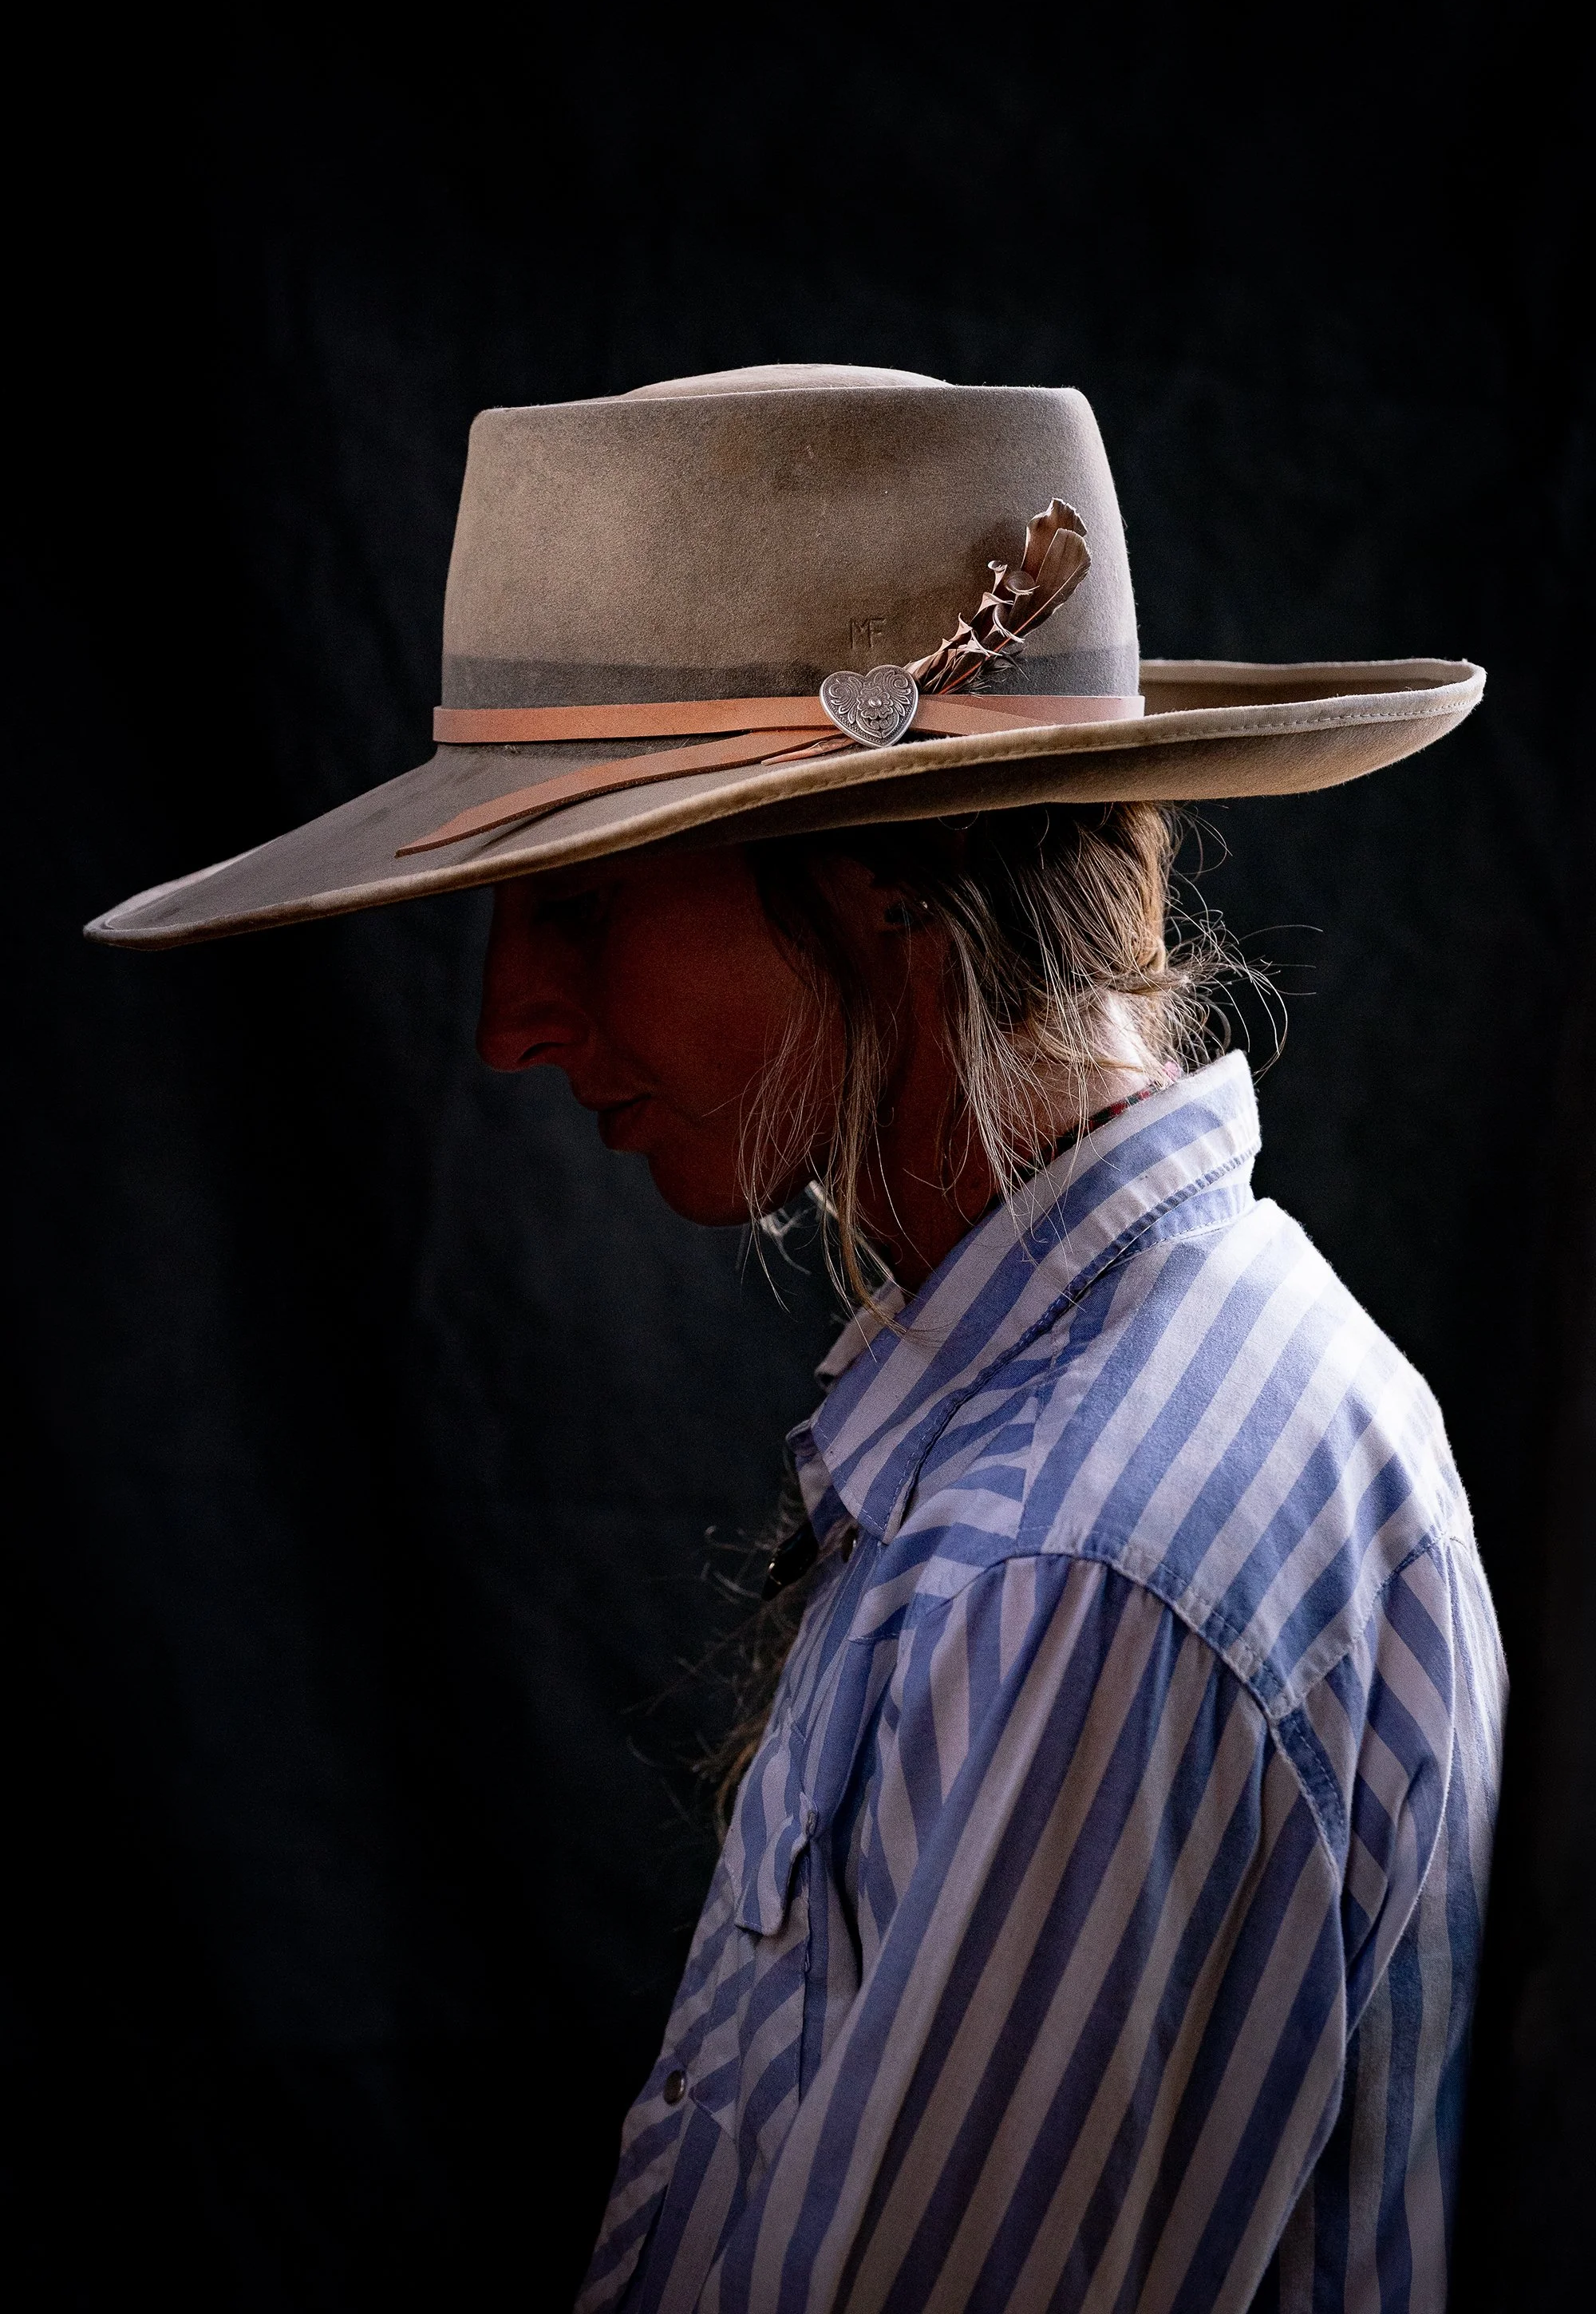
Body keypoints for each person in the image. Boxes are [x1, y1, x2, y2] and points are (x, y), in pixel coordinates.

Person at [90, 365, 1504, 2312]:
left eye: (575, 898)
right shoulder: (1189, 1390)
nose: (508, 1018)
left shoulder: (1069, 1571)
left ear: (886, 879)